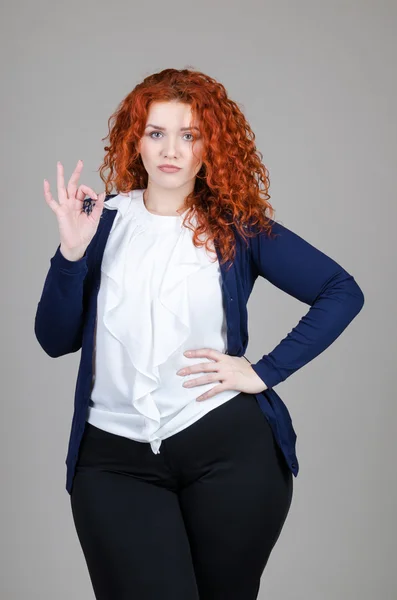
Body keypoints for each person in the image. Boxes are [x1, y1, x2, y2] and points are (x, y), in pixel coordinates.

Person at [34, 67, 364, 600]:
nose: (172, 150)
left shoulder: (237, 227)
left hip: (230, 457)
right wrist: (71, 255)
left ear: (210, 146)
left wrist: (262, 372)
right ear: (134, 141)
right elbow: (53, 340)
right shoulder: (102, 222)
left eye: (189, 135)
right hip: (113, 461)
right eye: (156, 133)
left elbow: (341, 291)